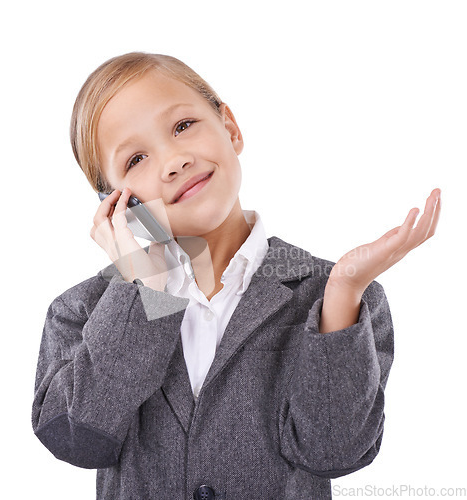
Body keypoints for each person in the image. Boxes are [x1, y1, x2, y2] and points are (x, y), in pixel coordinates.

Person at [31, 51, 441, 500]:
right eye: (136, 159)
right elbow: (76, 440)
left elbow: (334, 452)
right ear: (116, 205)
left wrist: (342, 292)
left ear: (230, 128)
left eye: (183, 126)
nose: (173, 160)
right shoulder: (81, 311)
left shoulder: (338, 300)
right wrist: (146, 286)